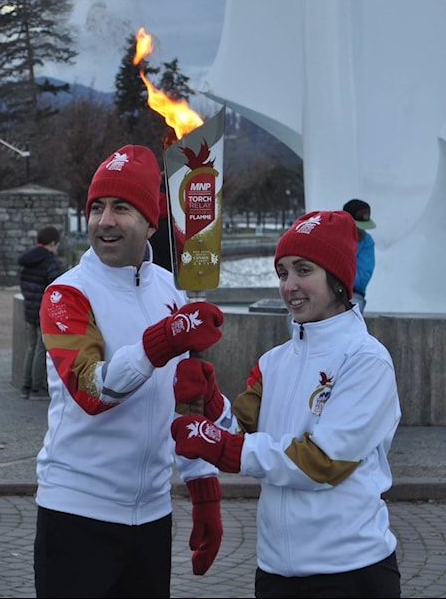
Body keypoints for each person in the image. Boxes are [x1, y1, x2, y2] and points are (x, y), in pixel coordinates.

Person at [171, 209, 403, 598]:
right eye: (282, 273)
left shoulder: (366, 361)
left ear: (338, 279)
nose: (289, 286)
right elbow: (240, 430)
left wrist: (224, 448)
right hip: (276, 571)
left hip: (350, 572)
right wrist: (209, 404)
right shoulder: (273, 362)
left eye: (303, 270)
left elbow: (323, 461)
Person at [34, 144, 227, 597]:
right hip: (78, 515)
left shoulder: (173, 292)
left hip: (152, 518)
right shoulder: (66, 295)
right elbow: (92, 389)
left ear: (150, 222)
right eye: (97, 207)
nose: (105, 221)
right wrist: (165, 341)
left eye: (121, 207)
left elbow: (183, 406)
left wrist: (203, 489)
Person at [17, 225, 64, 399]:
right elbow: (57, 287)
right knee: (41, 348)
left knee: (31, 347)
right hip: (42, 310)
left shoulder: (28, 260)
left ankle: (25, 385)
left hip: (29, 307)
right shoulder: (49, 262)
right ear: (52, 243)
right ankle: (37, 388)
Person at [342, 198, 376, 314]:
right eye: (357, 227)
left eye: (363, 227)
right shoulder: (331, 237)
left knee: (351, 312)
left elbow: (362, 279)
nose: (361, 231)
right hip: (326, 291)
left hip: (353, 293)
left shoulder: (367, 242)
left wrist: (337, 274)